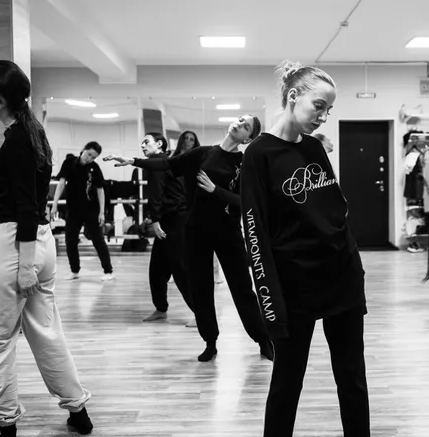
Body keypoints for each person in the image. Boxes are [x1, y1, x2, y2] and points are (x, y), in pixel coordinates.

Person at [238, 61, 378, 437]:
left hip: (340, 279)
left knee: (351, 375)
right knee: (287, 376)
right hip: (293, 286)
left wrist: (355, 270)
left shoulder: (315, 148)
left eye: (328, 109)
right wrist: (269, 303)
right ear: (293, 96)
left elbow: (335, 210)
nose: (323, 115)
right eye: (319, 105)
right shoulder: (258, 155)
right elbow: (254, 232)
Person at [0, 60, 92, 437]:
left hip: (16, 245)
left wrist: (26, 265)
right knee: (46, 332)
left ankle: (7, 431)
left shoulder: (18, 142)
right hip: (35, 241)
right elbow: (2, 194)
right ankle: (78, 411)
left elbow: (26, 205)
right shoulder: (29, 134)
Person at [105, 116, 273, 363]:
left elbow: (248, 200)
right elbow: (167, 163)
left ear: (248, 139)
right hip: (196, 231)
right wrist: (133, 161)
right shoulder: (203, 153)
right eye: (240, 120)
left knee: (242, 288)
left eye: (246, 126)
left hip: (227, 232)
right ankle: (210, 342)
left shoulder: (244, 162)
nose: (239, 124)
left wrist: (216, 190)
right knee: (200, 288)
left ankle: (263, 340)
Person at [138, 132, 194, 322]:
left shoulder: (158, 162)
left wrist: (154, 220)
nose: (143, 145)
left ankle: (201, 314)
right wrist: (154, 218)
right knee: (157, 269)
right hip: (168, 219)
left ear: (159, 144)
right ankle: (160, 309)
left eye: (146, 142)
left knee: (180, 269)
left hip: (176, 221)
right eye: (142, 143)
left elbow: (156, 193)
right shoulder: (163, 162)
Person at [51, 141, 114, 281]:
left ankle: (108, 271)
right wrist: (54, 204)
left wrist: (102, 212)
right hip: (73, 210)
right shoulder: (69, 163)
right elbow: (61, 184)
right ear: (83, 150)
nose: (89, 158)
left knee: (98, 240)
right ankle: (74, 271)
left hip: (92, 209)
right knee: (70, 241)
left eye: (93, 157)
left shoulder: (94, 168)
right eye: (89, 154)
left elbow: (100, 190)